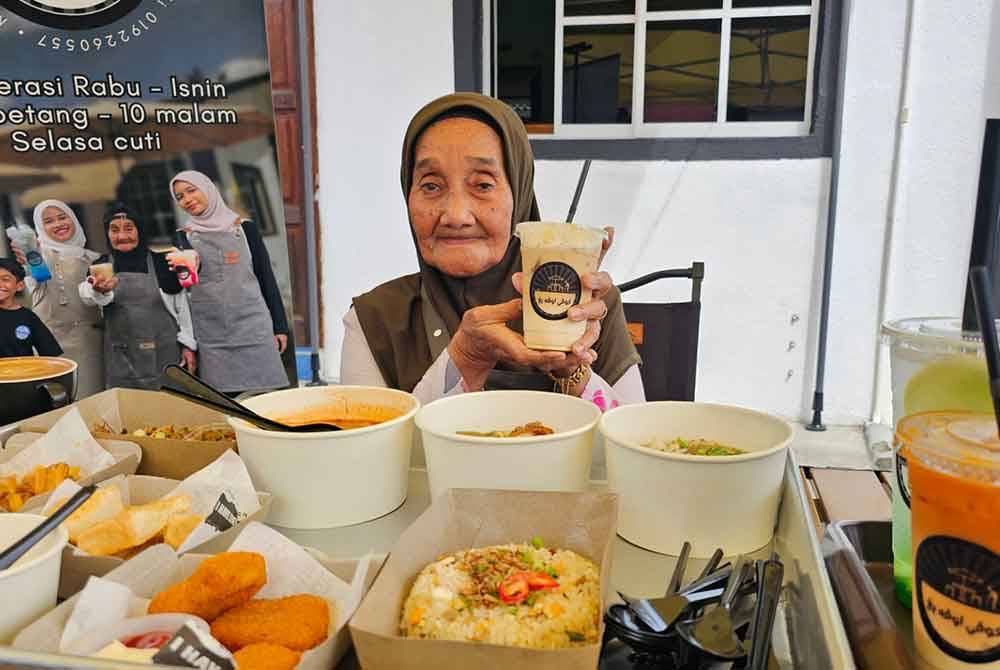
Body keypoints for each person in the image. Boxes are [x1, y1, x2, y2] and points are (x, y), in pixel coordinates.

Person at [342, 93, 644, 409]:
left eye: (483, 185)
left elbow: (636, 436)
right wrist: (464, 359)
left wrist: (573, 367)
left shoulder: (587, 307)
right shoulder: (374, 321)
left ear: (519, 193)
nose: (456, 215)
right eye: (431, 186)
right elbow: (368, 441)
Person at [168, 170, 289, 395]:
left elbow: (266, 279)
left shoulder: (245, 229)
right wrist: (183, 269)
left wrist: (280, 326)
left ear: (208, 189)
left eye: (191, 190)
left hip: (254, 328)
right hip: (212, 337)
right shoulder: (183, 237)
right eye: (180, 197)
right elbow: (181, 288)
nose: (187, 199)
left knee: (266, 400)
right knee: (224, 402)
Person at [79, 202, 198, 389]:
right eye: (114, 230)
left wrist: (188, 345)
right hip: (122, 361)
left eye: (129, 228)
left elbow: (182, 307)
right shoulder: (101, 266)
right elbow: (88, 295)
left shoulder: (162, 263)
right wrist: (99, 290)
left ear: (140, 231)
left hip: (167, 355)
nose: (122, 236)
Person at [10, 200, 104, 396]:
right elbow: (34, 277)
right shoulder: (38, 255)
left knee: (93, 400)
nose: (58, 224)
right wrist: (29, 258)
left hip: (91, 346)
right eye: (48, 221)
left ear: (74, 219)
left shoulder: (94, 259)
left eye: (62, 217)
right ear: (40, 228)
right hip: (50, 345)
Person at [0, 258, 62, 358]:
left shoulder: (28, 317)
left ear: (19, 286)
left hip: (24, 368)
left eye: (5, 279)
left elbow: (50, 354)